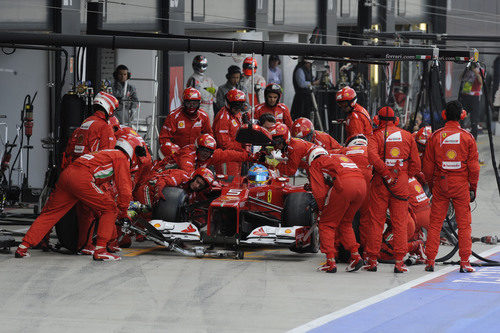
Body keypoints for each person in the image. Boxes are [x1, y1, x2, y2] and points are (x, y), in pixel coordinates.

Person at [15, 135, 147, 261]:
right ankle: (100, 251)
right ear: (132, 149)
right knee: (110, 208)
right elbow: (124, 190)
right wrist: (123, 212)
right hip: (82, 178)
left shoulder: (106, 153)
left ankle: (23, 247)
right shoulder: (121, 157)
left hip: (67, 175)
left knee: (50, 214)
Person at [423, 101, 480, 273]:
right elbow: (474, 168)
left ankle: (430, 261)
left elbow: (427, 168)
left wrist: (432, 186)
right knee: (464, 225)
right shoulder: (467, 137)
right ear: (462, 115)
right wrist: (473, 188)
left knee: (434, 225)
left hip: (441, 184)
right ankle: (465, 262)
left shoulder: (435, 136)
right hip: (461, 185)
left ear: (444, 115)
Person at [364, 106, 421, 273]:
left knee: (376, 222)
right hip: (401, 183)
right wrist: (403, 175)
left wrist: (385, 172)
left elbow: (372, 157)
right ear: (396, 120)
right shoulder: (408, 136)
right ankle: (398, 262)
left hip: (381, 183)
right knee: (400, 223)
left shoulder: (375, 136)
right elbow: (416, 165)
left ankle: (372, 260)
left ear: (378, 120)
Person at [306, 147, 365, 273]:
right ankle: (355, 256)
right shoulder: (339, 157)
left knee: (326, 224)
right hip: (362, 186)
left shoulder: (316, 163)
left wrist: (322, 209)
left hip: (345, 186)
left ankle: (330, 262)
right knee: (346, 223)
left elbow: (320, 192)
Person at [62, 91, 118, 169]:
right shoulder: (104, 127)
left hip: (73, 167)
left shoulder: (86, 122)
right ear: (109, 107)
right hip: (90, 170)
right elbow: (107, 156)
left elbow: (69, 150)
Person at [339, 134, 372, 250]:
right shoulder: (371, 150)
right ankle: (366, 251)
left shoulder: (343, 150)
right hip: (367, 182)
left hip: (348, 181)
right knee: (366, 217)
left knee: (341, 217)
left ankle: (339, 250)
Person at [212, 89, 248, 175]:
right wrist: (242, 149)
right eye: (235, 106)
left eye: (240, 106)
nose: (238, 109)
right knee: (228, 183)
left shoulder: (237, 114)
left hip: (236, 156)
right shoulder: (223, 117)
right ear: (228, 103)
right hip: (226, 158)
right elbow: (224, 144)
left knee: (237, 182)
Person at [178, 134, 252, 174]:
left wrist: (250, 157)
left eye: (208, 152)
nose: (205, 154)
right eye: (203, 150)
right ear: (197, 148)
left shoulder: (212, 155)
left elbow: (230, 155)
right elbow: (188, 174)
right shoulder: (187, 155)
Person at [186, 55, 217, 123]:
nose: (201, 67)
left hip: (210, 107)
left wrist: (206, 89)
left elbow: (216, 92)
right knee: (198, 127)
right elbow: (189, 95)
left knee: (209, 128)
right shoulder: (192, 79)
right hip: (199, 107)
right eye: (199, 65)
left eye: (203, 65)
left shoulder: (209, 79)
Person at [459, 63, 484, 140]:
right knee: (462, 116)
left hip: (475, 95)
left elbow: (481, 82)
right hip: (465, 94)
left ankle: (474, 137)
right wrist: (466, 70)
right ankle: (460, 135)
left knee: (474, 119)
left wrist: (476, 72)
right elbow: (460, 78)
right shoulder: (467, 70)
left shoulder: (480, 70)